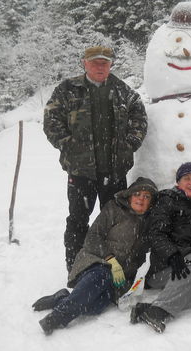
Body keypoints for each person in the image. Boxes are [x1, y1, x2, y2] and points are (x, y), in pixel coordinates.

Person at [43, 46, 148, 272]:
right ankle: (76, 267)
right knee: (78, 220)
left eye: (105, 62)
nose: (100, 66)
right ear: (84, 63)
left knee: (116, 221)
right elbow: (51, 120)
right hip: (81, 173)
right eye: (95, 62)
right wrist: (68, 146)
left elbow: (139, 118)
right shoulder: (67, 89)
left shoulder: (124, 91)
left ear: (111, 65)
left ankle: (113, 265)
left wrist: (129, 145)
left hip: (115, 172)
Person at [32, 177, 158, 335]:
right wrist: (110, 259)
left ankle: (61, 297)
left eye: (146, 197)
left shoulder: (150, 223)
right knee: (102, 275)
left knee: (96, 306)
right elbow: (92, 237)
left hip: (119, 277)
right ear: (130, 195)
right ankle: (57, 318)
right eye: (137, 194)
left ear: (151, 202)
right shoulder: (114, 209)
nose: (141, 198)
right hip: (96, 261)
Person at [130, 162, 191, 333]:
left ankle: (150, 309)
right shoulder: (167, 200)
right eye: (186, 178)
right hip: (163, 267)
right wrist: (172, 255)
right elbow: (155, 234)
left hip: (190, 266)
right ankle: (158, 312)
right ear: (178, 181)